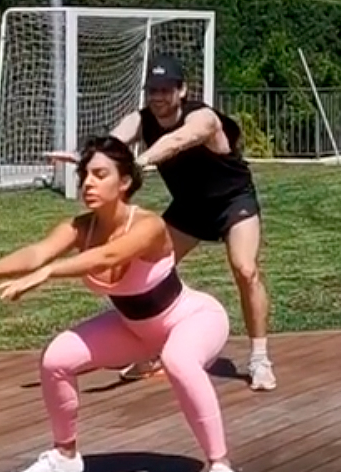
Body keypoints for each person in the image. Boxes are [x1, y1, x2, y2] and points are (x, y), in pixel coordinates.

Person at [0, 136, 238, 472]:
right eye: (85, 174)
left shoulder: (148, 225)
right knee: (56, 358)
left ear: (125, 182)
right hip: (134, 329)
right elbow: (38, 252)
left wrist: (48, 273)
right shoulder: (80, 227)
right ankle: (65, 456)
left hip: (193, 319)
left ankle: (220, 467)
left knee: (178, 360)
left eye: (100, 174)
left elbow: (109, 256)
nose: (88, 182)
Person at [47, 54, 276, 392]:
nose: (158, 97)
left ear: (181, 90)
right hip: (189, 209)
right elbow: (113, 145)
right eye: (153, 90)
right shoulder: (141, 120)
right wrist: (88, 158)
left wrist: (137, 163)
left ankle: (259, 359)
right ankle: (151, 349)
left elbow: (177, 141)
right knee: (138, 270)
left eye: (166, 89)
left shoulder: (203, 117)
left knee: (245, 269)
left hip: (232, 202)